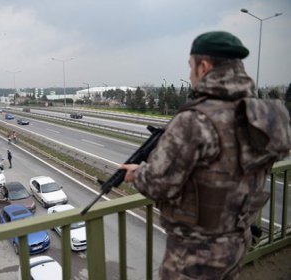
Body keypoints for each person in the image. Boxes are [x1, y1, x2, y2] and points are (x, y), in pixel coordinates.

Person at [121, 31, 291, 280]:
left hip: (195, 256)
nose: (190, 76)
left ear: (204, 66)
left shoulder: (194, 120)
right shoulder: (261, 114)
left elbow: (159, 185)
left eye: (191, 67)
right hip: (237, 242)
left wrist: (136, 174)